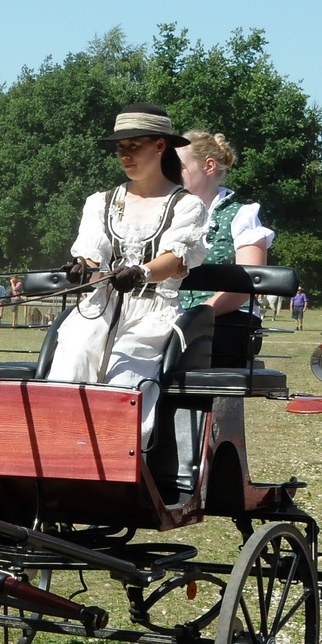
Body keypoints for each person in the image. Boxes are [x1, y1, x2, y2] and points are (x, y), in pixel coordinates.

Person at [46, 104, 207, 438]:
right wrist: (82, 271)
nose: (125, 155)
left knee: (125, 375)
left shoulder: (186, 204)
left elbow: (176, 260)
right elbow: (93, 260)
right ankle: (61, 456)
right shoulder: (100, 202)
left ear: (160, 146)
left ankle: (121, 466)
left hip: (151, 316)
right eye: (121, 148)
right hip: (97, 311)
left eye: (134, 146)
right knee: (70, 362)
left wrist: (141, 273)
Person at [175, 131, 273, 315]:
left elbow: (247, 284)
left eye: (179, 167)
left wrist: (197, 315)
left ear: (209, 166)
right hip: (173, 317)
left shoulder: (242, 215)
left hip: (228, 322)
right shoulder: (170, 216)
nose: (171, 174)